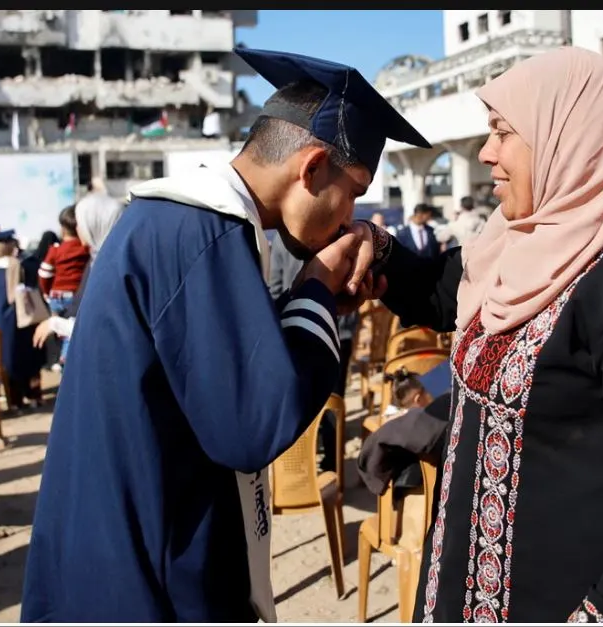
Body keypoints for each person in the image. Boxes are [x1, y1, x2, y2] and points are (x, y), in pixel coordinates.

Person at [335, 47, 603, 622]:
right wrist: (373, 251)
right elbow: (443, 292)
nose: (486, 154)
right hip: (464, 584)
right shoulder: (516, 239)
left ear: (566, 136)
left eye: (504, 133)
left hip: (564, 597)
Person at [22, 47, 432, 622]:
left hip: (113, 547)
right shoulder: (206, 231)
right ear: (311, 168)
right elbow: (252, 424)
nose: (351, 216)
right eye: (354, 191)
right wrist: (315, 288)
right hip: (147, 576)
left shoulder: (179, 219)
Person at [266, 229, 360, 473]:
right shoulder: (343, 235)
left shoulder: (282, 238)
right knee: (332, 395)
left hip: (298, 327)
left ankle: (303, 466)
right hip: (335, 328)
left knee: (306, 396)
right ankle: (332, 462)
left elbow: (276, 287)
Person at [31, 192, 128, 350]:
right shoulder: (97, 259)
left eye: (81, 221)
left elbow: (105, 326)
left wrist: (57, 323)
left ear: (96, 223)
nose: (77, 228)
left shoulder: (112, 267)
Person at [0, 229, 43, 409]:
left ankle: (13, 399)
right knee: (19, 356)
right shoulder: (14, 264)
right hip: (14, 318)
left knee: (2, 359)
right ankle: (26, 394)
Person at [38, 207, 91, 368]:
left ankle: (59, 360)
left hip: (55, 296)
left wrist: (48, 293)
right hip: (74, 296)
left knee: (59, 332)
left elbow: (44, 274)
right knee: (71, 331)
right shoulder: (85, 249)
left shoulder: (55, 250)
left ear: (62, 228)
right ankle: (66, 361)